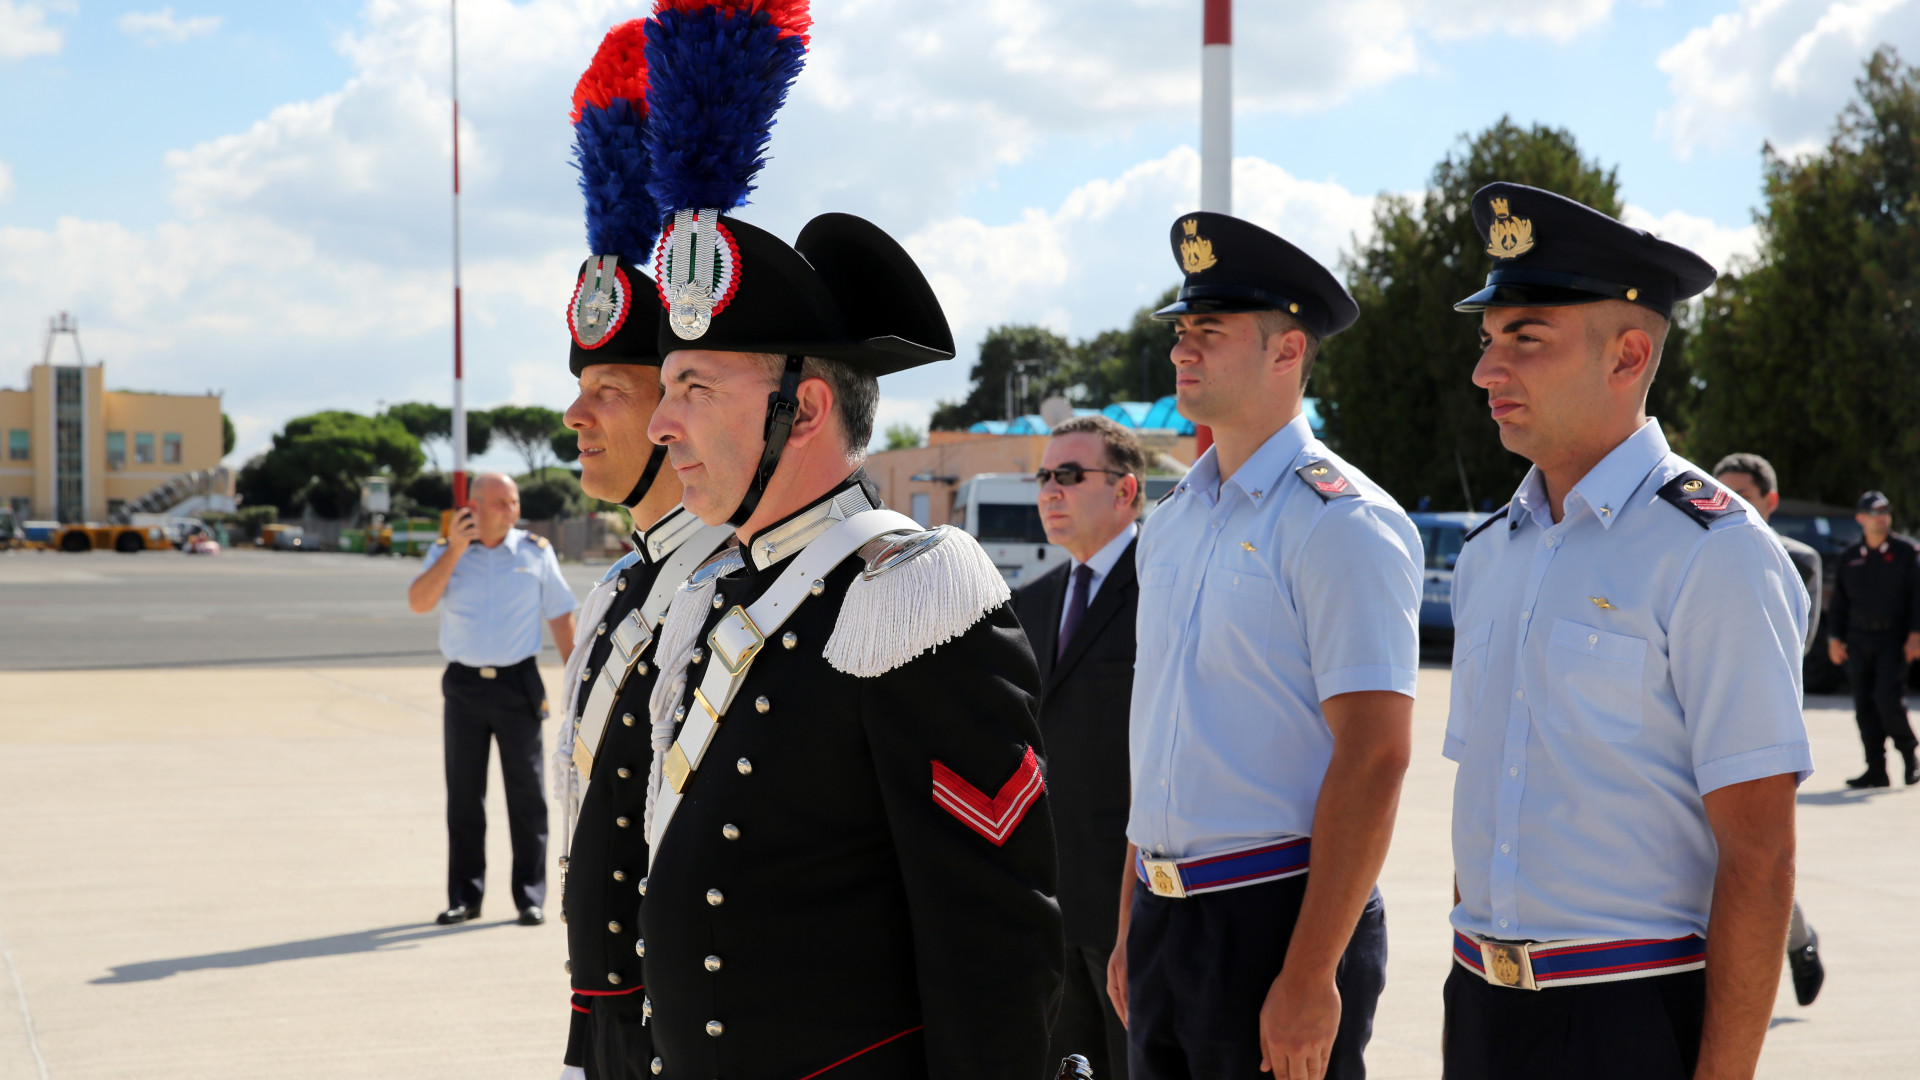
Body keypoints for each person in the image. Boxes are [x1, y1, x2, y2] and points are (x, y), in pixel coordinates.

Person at [629, 7, 1064, 1076]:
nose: (661, 423)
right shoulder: (721, 591)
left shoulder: (911, 600)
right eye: (666, 387)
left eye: (695, 387)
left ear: (807, 409)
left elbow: (994, 944)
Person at [1445, 183, 1810, 1080]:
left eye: (1526, 338)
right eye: (1487, 341)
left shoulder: (1714, 552)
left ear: (1628, 355)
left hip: (1629, 1014)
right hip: (1481, 1005)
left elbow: (1760, 857)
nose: (1488, 371)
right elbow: (1486, 805)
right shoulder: (1491, 554)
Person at [1112, 212, 1421, 1080]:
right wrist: (1130, 921)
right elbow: (1159, 741)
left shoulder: (1342, 523)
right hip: (1166, 919)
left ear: (1287, 351)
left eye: (1210, 331)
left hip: (1276, 914)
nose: (1181, 348)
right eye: (1181, 329)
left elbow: (1375, 756)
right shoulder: (1173, 522)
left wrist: (1313, 972)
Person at [548, 23, 738, 1080]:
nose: (575, 417)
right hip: (610, 1012)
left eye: (606, 392)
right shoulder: (629, 583)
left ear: (671, 412)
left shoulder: (736, 587)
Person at [1013, 414, 1146, 1080]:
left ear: (1126, 491)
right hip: (1050, 903)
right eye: (1044, 476)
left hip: (1134, 903)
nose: (1050, 490)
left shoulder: (1163, 592)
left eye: (1069, 474)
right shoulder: (1030, 603)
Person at [407, 471, 577, 927]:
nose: (511, 511)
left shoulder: (535, 552)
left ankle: (530, 897)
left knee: (527, 795)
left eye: (514, 502)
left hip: (517, 684)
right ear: (474, 507)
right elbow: (419, 602)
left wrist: (578, 681)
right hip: (463, 686)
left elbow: (561, 615)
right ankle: (465, 897)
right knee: (464, 796)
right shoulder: (446, 551)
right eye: (500, 503)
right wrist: (455, 550)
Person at [1711, 452, 1827, 1007]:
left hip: (1762, 728)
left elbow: (1796, 641)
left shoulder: (1795, 559)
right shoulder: (1695, 548)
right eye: (1722, 491)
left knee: (1755, 854)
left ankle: (1797, 942)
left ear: (1771, 501)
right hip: (1700, 721)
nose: (1730, 503)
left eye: (1744, 495)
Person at [1825, 490, 1920, 788]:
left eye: (1885, 511)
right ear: (1860, 518)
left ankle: (1910, 756)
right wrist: (1834, 638)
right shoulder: (1850, 557)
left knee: (1887, 700)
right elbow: (1839, 602)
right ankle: (1876, 770)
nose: (1881, 517)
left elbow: (1918, 597)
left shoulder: (1907, 552)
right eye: (1874, 512)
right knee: (1864, 706)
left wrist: (1916, 635)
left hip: (1893, 639)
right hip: (1858, 639)